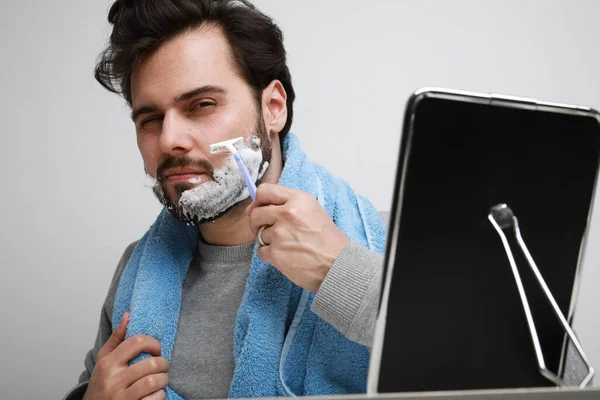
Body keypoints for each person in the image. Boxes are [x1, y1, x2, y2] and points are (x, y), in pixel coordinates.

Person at [63, 1, 387, 399]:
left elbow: (474, 354)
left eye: (201, 105)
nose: (169, 140)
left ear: (273, 108)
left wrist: (341, 272)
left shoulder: (386, 242)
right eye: (150, 119)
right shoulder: (138, 269)